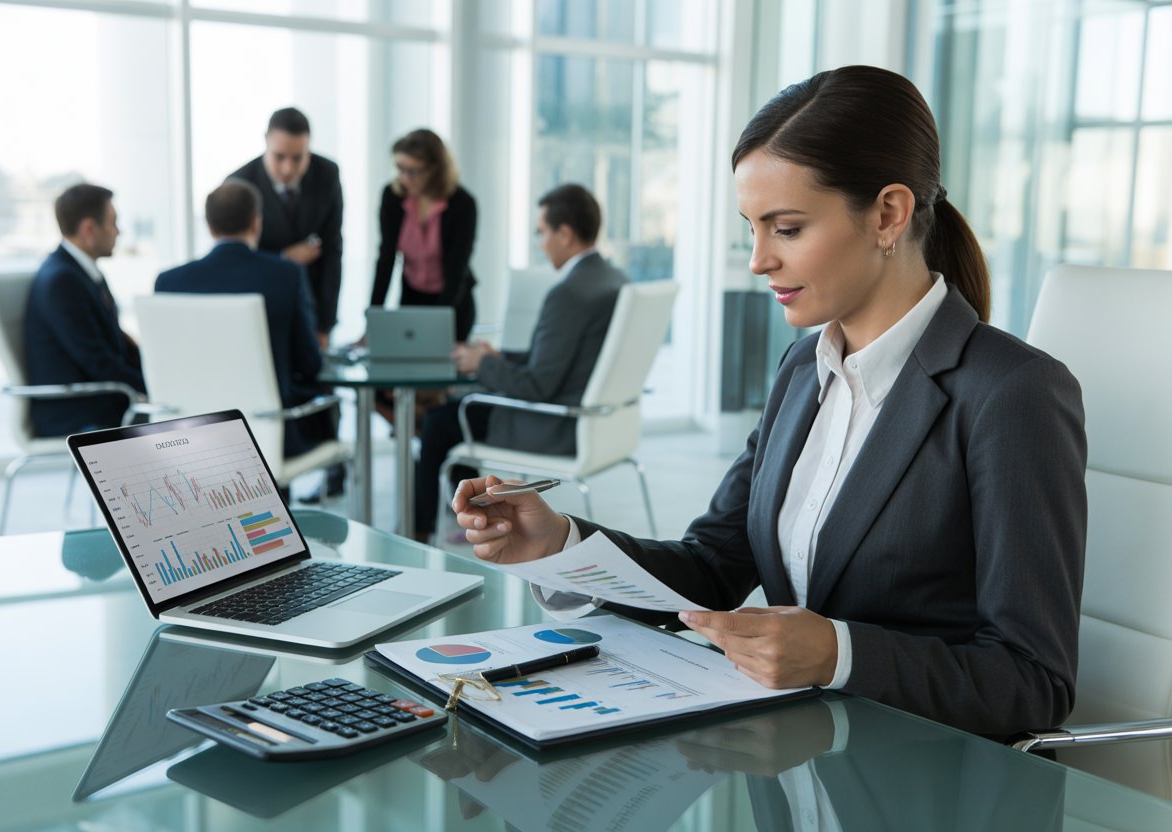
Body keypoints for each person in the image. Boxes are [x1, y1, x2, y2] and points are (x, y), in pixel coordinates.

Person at [451, 66, 1088, 740]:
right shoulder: (801, 370)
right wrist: (561, 543)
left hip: (926, 773)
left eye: (785, 229)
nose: (758, 260)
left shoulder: (1012, 394)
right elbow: (711, 568)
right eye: (751, 227)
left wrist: (841, 654)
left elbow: (1033, 684)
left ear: (888, 214)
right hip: (801, 756)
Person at [415, 184, 627, 541]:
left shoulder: (569, 293)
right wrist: (496, 358)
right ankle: (471, 512)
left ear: (565, 233)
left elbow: (537, 385)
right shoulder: (611, 279)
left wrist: (481, 365)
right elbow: (557, 361)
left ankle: (417, 532)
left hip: (553, 427)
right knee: (458, 411)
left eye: (542, 232)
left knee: (439, 422)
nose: (540, 242)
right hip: (598, 424)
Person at [155, 179, 333, 461]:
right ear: (256, 223)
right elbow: (309, 363)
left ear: (209, 226)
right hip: (270, 435)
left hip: (190, 436)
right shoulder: (286, 275)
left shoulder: (169, 282)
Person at [25, 183, 146, 436]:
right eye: (113, 223)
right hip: (77, 411)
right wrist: (155, 385)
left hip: (99, 399)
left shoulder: (81, 273)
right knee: (177, 415)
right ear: (89, 229)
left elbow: (115, 349)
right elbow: (98, 361)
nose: (118, 232)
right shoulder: (63, 281)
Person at [230, 107, 343, 349]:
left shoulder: (327, 174)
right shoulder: (240, 184)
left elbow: (333, 252)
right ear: (265, 143)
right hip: (262, 309)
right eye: (279, 157)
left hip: (312, 306)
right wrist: (284, 258)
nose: (288, 168)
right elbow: (236, 261)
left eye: (298, 157)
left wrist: (325, 325)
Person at [369, 128, 478, 343]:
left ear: (435, 170)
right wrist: (374, 318)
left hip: (452, 302)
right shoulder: (392, 197)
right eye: (400, 168)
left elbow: (457, 270)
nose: (404, 178)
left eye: (413, 171)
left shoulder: (463, 204)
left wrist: (435, 326)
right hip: (412, 297)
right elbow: (386, 259)